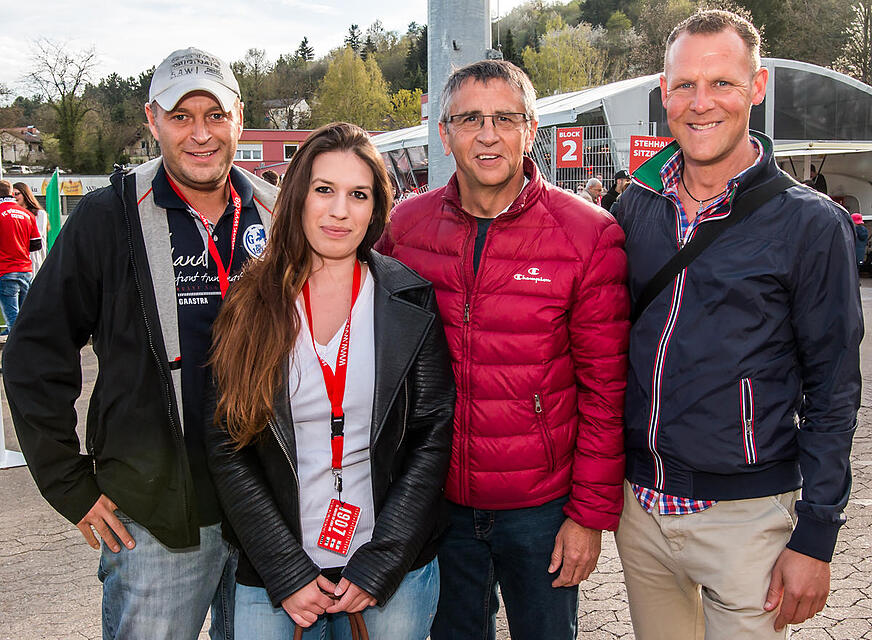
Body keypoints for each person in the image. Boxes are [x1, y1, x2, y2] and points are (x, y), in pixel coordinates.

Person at [3, 47, 279, 639]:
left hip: (269, 513)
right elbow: (32, 354)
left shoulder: (277, 211)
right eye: (181, 117)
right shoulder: (108, 217)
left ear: (239, 118)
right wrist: (68, 483)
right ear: (152, 121)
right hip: (156, 519)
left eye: (214, 115)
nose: (200, 134)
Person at [613, 10, 862, 640]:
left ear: (758, 87)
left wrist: (817, 535)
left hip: (748, 518)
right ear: (663, 93)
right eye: (684, 86)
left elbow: (834, 390)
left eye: (722, 83)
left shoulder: (811, 225)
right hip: (640, 510)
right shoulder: (636, 206)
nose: (701, 104)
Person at [377, 59, 629, 640]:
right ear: (444, 133)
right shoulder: (406, 229)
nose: (487, 134)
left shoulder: (586, 234)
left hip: (540, 509)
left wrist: (588, 516)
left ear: (531, 128)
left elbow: (605, 389)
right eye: (469, 119)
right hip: (436, 502)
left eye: (504, 118)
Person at [205, 122, 454, 639]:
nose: (340, 210)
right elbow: (227, 446)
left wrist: (381, 562)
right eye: (325, 190)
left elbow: (432, 436)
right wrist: (286, 569)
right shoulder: (248, 303)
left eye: (358, 194)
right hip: (276, 576)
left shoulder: (409, 299)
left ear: (375, 209)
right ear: (297, 197)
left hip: (388, 572)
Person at [0, 180, 41, 337]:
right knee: (24, 318)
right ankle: (30, 350)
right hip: (25, 270)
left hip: (5, 271)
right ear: (11, 193)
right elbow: (36, 244)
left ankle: (20, 356)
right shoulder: (27, 214)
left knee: (13, 321)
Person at [12, 182, 48, 273]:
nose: (14, 197)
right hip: (19, 262)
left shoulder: (39, 214)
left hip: (34, 259)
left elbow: (37, 236)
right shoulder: (12, 214)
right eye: (12, 195)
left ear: (25, 194)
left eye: (17, 194)